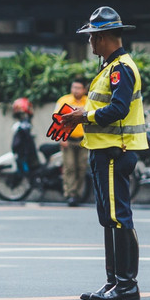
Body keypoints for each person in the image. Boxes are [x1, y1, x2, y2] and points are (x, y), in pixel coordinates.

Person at [54, 6, 147, 300]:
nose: (90, 43)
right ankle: (114, 283)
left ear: (104, 37)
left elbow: (117, 110)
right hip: (104, 151)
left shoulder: (120, 69)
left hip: (113, 151)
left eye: (93, 37)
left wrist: (84, 116)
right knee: (110, 219)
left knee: (118, 218)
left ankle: (125, 285)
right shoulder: (110, 67)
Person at [55, 78, 90, 207]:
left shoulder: (89, 101)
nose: (75, 90)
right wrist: (60, 137)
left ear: (84, 90)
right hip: (68, 140)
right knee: (69, 168)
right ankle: (70, 195)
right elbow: (57, 120)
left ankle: (78, 194)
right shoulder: (63, 101)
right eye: (73, 87)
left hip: (83, 141)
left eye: (78, 88)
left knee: (81, 168)